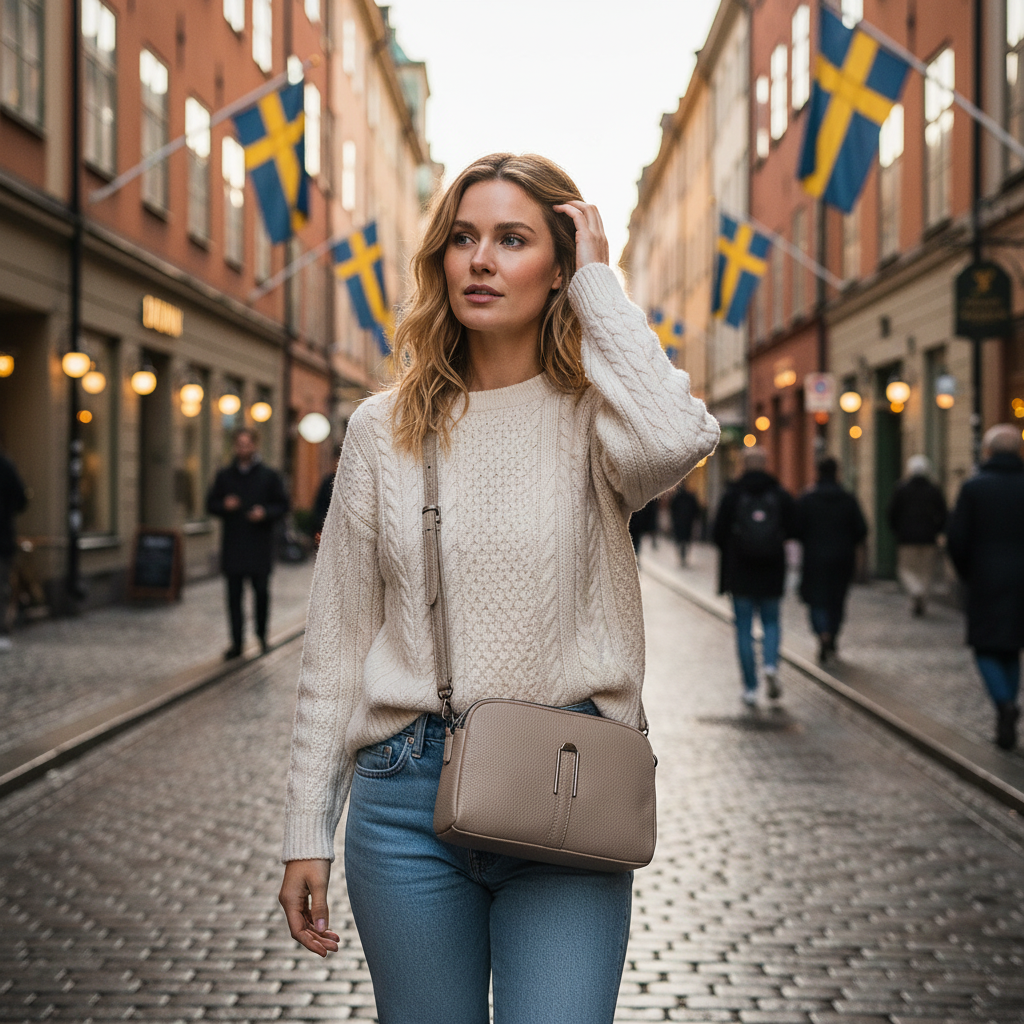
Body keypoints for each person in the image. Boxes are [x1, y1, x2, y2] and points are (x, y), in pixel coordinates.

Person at [277, 153, 720, 1024]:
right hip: (404, 800)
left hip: (569, 786)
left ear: (558, 268)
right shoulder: (382, 429)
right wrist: (306, 831)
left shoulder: (598, 418)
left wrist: (600, 288)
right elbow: (336, 648)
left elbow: (679, 437)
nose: (480, 260)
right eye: (463, 238)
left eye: (513, 240)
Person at [947, 424, 1024, 751]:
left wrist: (967, 573)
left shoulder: (974, 488)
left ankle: (1004, 704)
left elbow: (957, 539)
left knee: (985, 646)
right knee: (1012, 646)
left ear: (988, 451)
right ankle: (1008, 706)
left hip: (985, 577)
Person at [712, 446, 796, 706]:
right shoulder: (779, 494)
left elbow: (717, 534)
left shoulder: (733, 495)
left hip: (740, 573)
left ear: (744, 465)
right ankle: (770, 665)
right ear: (766, 464)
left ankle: (750, 687)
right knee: (771, 622)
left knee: (744, 629)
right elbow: (795, 527)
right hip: (772, 571)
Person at [206, 428, 289, 659]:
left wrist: (265, 513)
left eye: (247, 444)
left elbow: (283, 506)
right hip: (233, 546)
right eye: (239, 444)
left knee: (261, 593)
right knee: (234, 597)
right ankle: (237, 643)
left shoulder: (269, 476)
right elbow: (210, 504)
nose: (243, 448)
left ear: (254, 446)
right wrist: (225, 505)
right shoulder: (225, 476)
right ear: (235, 446)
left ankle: (261, 636)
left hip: (259, 546)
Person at [795, 458, 868, 664]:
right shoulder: (848, 499)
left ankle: (822, 633)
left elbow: (796, 528)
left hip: (815, 558)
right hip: (842, 558)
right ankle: (832, 635)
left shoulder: (808, 499)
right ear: (837, 473)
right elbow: (861, 529)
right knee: (837, 599)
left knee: (816, 599)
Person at [887, 454, 948, 617]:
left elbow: (892, 513)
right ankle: (920, 599)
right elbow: (943, 513)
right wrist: (937, 530)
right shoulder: (934, 490)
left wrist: (897, 531)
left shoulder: (901, 489)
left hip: (906, 538)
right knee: (926, 571)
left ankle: (916, 592)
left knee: (906, 569)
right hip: (928, 537)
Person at [0, 447, 27, 652]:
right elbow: (22, 501)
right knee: (2, 587)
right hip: (3, 539)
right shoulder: (6, 467)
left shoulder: (6, 467)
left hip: (3, 540)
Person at [670, 483, 700, 565]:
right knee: (686, 540)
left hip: (679, 523)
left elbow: (672, 510)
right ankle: (684, 555)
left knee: (679, 540)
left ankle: (682, 555)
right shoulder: (690, 497)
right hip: (688, 523)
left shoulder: (676, 498)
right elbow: (696, 510)